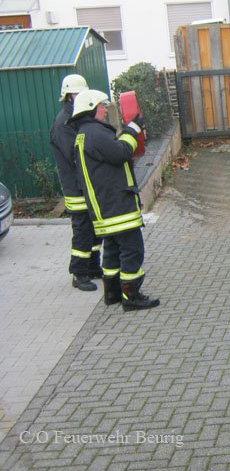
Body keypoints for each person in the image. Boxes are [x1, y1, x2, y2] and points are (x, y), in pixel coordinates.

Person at [71, 89, 160, 310]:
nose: (104, 110)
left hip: (104, 206)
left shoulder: (84, 134)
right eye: (101, 106)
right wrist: (132, 129)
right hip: (116, 204)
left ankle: (113, 294)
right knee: (132, 249)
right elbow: (120, 153)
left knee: (111, 250)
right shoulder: (95, 133)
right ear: (90, 109)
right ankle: (131, 296)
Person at [49, 74, 102, 291]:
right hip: (75, 186)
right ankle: (79, 274)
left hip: (86, 183)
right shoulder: (63, 123)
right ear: (69, 96)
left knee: (94, 228)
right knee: (82, 229)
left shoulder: (76, 117)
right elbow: (75, 155)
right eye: (78, 94)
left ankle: (93, 266)